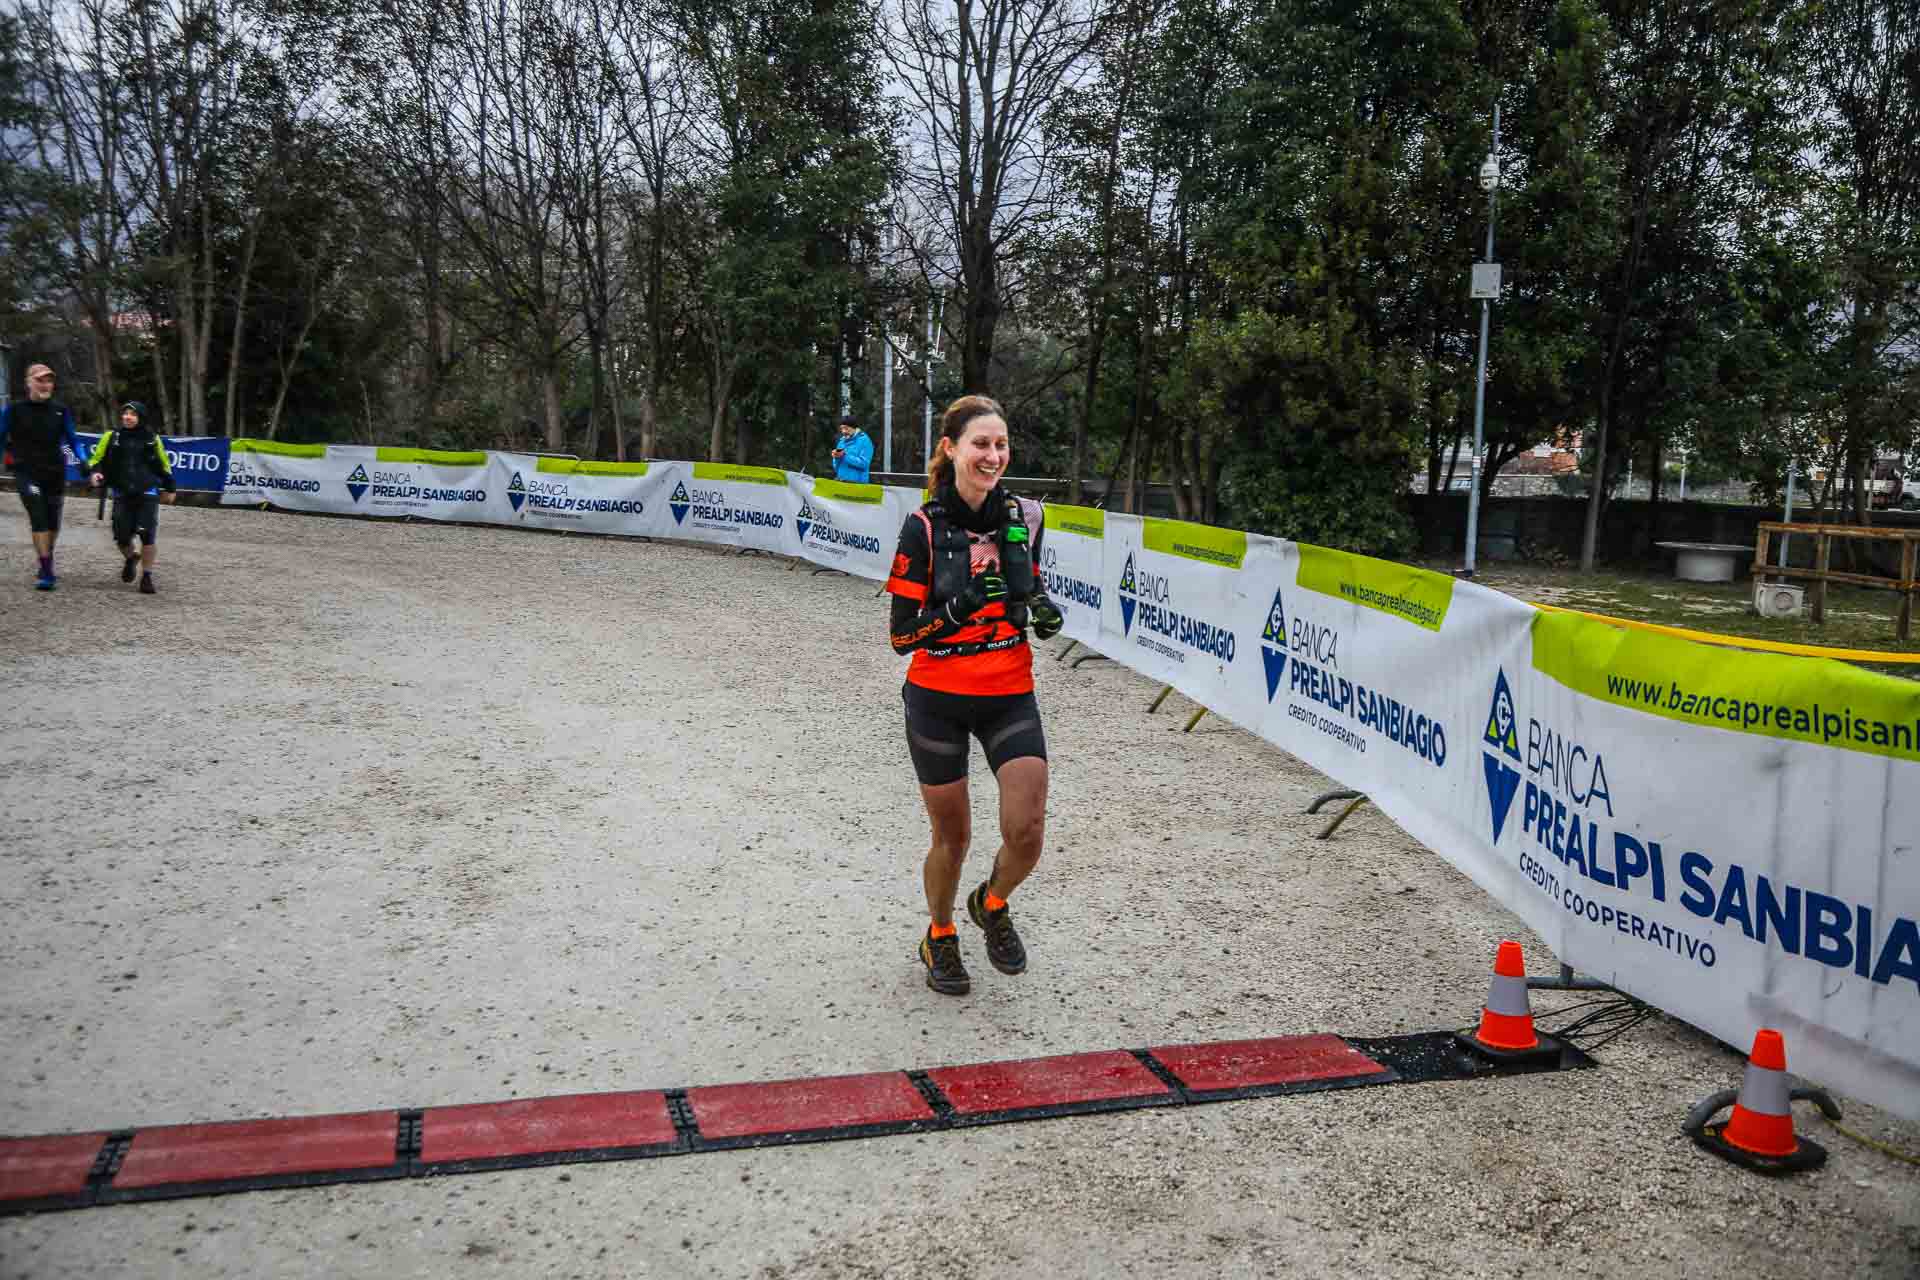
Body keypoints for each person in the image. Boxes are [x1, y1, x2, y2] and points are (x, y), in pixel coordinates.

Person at [885, 394, 1064, 995]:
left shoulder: (1027, 516)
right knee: (953, 838)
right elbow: (901, 636)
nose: (993, 455)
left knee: (1027, 830)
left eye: (1001, 444)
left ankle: (991, 903)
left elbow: (1028, 583)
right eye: (980, 444)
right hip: (937, 696)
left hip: (1009, 691)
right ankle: (939, 935)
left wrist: (1040, 609)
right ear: (951, 449)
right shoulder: (923, 527)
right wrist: (958, 609)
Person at [0, 363, 87, 590]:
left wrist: (84, 461)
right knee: (38, 517)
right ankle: (47, 571)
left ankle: (46, 556)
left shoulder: (60, 410)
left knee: (52, 522)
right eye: (39, 380)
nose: (45, 384)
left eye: (48, 380)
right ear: (28, 382)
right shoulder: (14, 410)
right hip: (26, 472)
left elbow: (73, 439)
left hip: (54, 472)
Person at [87, 401, 176, 595]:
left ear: (141, 418)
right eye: (125, 413)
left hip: (147, 491)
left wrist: (170, 487)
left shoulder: (152, 438)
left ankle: (147, 577)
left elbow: (164, 465)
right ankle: (131, 558)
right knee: (122, 537)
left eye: (133, 414)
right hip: (122, 492)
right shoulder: (112, 436)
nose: (127, 417)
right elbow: (96, 459)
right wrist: (95, 472)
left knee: (147, 534)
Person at [830, 415, 874, 483]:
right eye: (841, 428)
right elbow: (836, 467)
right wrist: (836, 457)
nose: (843, 431)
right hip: (841, 482)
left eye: (846, 428)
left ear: (854, 427)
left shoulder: (864, 440)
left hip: (858, 484)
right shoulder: (841, 442)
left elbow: (864, 464)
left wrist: (844, 456)